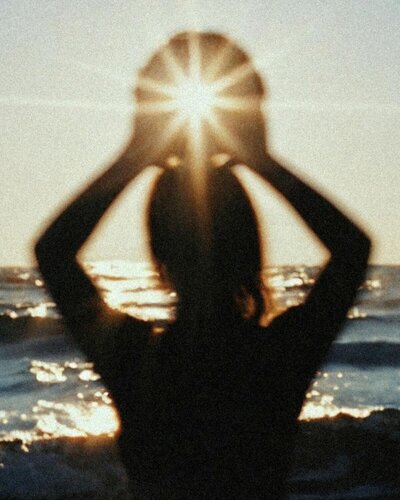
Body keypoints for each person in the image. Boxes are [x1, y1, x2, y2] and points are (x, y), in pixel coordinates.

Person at [35, 32, 371, 499]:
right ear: (251, 247)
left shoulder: (136, 361)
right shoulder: (277, 357)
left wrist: (133, 157)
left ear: (159, 257)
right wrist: (262, 160)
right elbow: (352, 248)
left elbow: (53, 252)